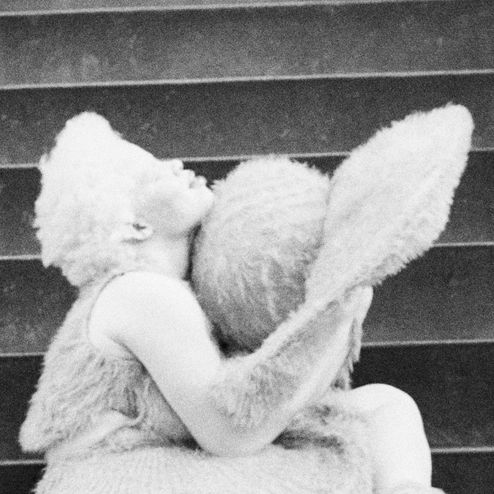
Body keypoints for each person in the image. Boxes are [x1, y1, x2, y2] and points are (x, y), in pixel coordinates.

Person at [20, 113, 442, 494]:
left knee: (383, 404)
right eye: (153, 173)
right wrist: (335, 317)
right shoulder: (142, 293)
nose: (174, 164)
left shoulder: (162, 291)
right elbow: (229, 435)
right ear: (136, 225)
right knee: (360, 427)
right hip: (128, 475)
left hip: (159, 463)